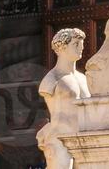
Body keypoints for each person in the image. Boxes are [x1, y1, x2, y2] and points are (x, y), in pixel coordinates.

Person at [37, 27, 91, 169]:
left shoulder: (83, 78)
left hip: (83, 137)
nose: (81, 48)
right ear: (62, 47)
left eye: (82, 44)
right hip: (59, 138)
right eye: (76, 44)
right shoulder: (52, 78)